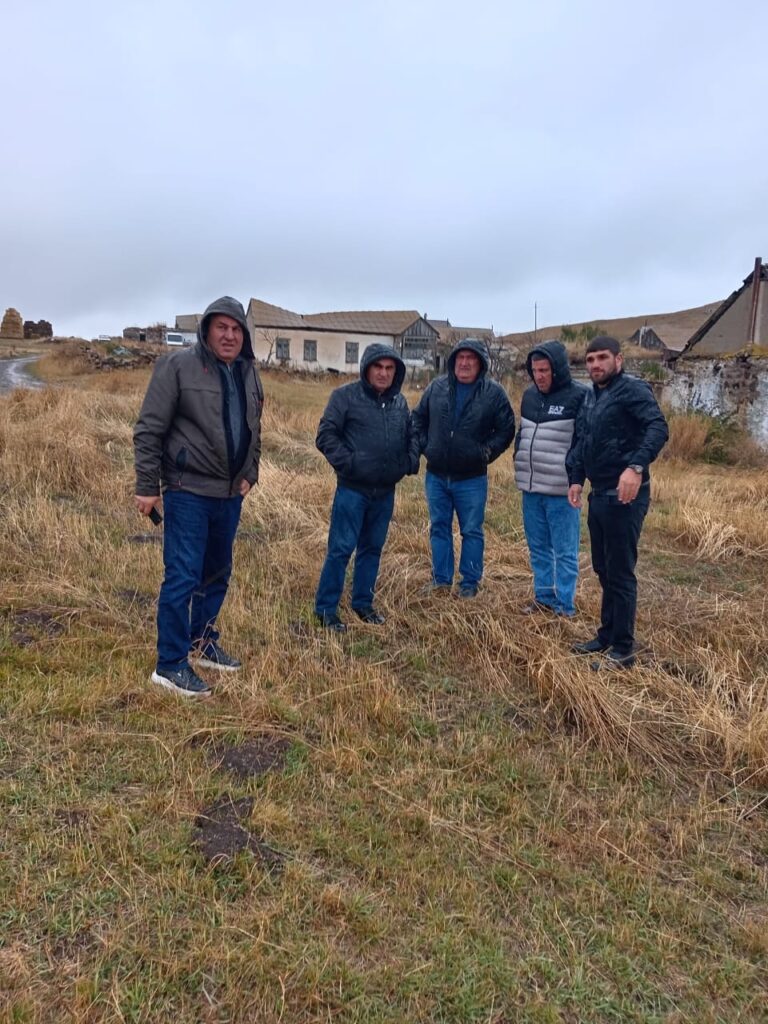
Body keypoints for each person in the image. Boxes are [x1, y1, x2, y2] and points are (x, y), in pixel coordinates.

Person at [133, 296, 263, 698]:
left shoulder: (248, 372)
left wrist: (251, 473)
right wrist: (147, 486)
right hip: (188, 490)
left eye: (236, 329)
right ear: (206, 330)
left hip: (230, 494)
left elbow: (255, 428)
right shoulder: (177, 367)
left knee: (216, 572)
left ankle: (201, 642)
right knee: (183, 576)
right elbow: (149, 429)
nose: (229, 335)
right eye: (221, 327)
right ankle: (170, 665)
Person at [567, 336, 668, 669]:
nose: (595, 364)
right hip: (599, 495)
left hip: (626, 496)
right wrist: (576, 478)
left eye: (602, 358)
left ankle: (623, 648)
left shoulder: (633, 390)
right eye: (590, 359)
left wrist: (636, 466)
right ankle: (607, 635)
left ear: (618, 360)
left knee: (621, 573)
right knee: (603, 568)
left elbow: (658, 427)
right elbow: (582, 440)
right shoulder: (590, 396)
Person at [314, 343, 419, 632]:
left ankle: (363, 604)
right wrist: (350, 464)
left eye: (389, 368)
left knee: (372, 549)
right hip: (352, 491)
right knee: (340, 549)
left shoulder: (399, 403)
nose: (384, 373)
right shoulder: (345, 397)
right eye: (378, 367)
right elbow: (325, 435)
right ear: (366, 368)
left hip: (385, 492)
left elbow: (412, 434)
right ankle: (325, 610)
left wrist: (409, 461)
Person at [412, 339, 515, 597]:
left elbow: (506, 430)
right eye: (460, 357)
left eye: (471, 358)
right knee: (439, 528)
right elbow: (418, 418)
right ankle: (441, 580)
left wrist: (485, 453)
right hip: (436, 475)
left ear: (481, 364)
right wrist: (426, 446)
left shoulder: (494, 393)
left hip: (471, 479)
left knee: (471, 531)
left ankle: (469, 583)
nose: (465, 363)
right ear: (453, 361)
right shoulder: (436, 387)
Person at [514, 339, 587, 616]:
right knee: (538, 548)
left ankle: (565, 606)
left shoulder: (579, 396)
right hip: (531, 488)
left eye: (544, 370)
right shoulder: (529, 396)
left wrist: (576, 478)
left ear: (557, 369)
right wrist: (518, 457)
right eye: (535, 370)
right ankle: (543, 598)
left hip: (561, 491)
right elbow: (523, 433)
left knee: (565, 552)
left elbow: (583, 442)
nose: (539, 376)